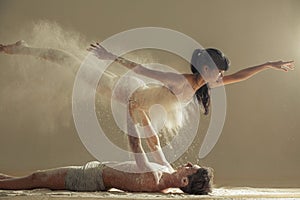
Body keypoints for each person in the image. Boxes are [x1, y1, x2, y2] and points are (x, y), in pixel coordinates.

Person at [0, 41, 295, 174]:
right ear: (205, 67)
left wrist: (269, 64)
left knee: (150, 137)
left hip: (138, 103)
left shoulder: (204, 84)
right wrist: (109, 55)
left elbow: (240, 76)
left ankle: (161, 168)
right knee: (69, 62)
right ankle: (22, 48)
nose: (220, 77)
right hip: (125, 91)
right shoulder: (179, 80)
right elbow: (141, 69)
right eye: (218, 71)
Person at [0, 160, 213, 195]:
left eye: (190, 169)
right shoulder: (165, 170)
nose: (186, 165)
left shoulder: (155, 179)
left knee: (37, 178)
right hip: (93, 172)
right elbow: (154, 142)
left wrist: (131, 114)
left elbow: (136, 145)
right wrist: (143, 113)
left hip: (89, 179)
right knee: (32, 178)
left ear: (185, 182)